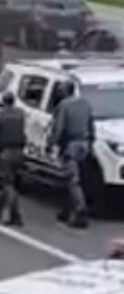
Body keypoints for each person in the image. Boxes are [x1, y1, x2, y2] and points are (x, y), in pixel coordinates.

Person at [47, 81, 95, 229]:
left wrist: (51, 143)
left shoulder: (64, 106)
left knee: (71, 180)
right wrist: (91, 141)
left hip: (70, 145)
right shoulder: (85, 104)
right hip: (84, 144)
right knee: (75, 178)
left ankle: (80, 208)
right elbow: (91, 124)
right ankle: (66, 210)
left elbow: (59, 127)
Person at [0, 91, 26, 226]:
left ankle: (16, 216)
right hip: (19, 152)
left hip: (6, 152)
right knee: (9, 183)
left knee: (8, 185)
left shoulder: (0, 115)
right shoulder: (20, 114)